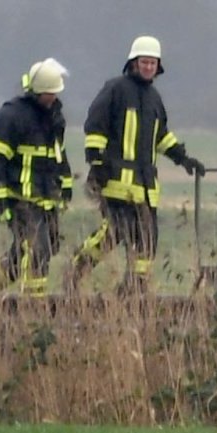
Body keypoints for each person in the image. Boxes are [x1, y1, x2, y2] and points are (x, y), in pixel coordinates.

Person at [69, 35, 205, 296]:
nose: (148, 67)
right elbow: (95, 127)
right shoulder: (115, 90)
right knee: (116, 232)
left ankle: (134, 288)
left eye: (153, 63)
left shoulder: (154, 98)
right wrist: (97, 163)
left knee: (148, 239)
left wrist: (183, 158)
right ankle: (77, 269)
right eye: (144, 62)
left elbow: (161, 136)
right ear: (133, 63)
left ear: (158, 66)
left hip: (144, 186)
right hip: (116, 182)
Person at [0, 58, 73, 297]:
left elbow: (59, 155)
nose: (53, 98)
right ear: (37, 92)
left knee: (32, 251)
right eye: (49, 93)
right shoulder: (10, 116)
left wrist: (65, 187)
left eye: (56, 93)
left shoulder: (55, 117)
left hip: (46, 199)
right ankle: (33, 309)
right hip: (20, 200)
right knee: (38, 252)